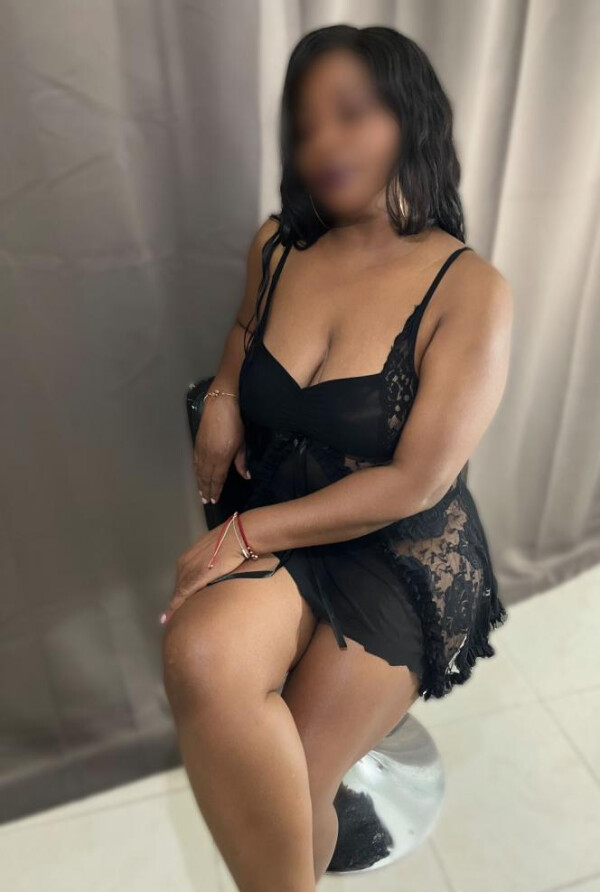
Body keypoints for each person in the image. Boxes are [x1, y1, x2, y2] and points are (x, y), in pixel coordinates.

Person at [161, 23, 513, 892]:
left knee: (298, 781)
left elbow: (417, 481)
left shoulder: (469, 289)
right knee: (200, 655)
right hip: (287, 517)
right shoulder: (277, 244)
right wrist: (226, 397)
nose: (323, 142)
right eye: (306, 124)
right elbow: (245, 329)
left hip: (396, 552)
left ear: (408, 117)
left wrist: (245, 535)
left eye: (350, 114)